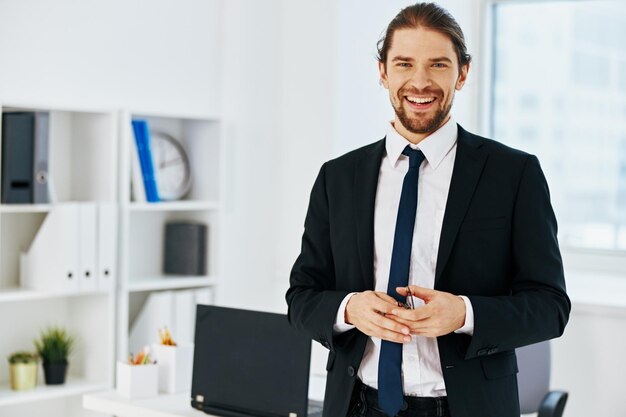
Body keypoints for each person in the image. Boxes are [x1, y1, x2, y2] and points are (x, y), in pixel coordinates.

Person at [286, 3, 570, 417]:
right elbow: (301, 297)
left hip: (466, 407)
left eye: (438, 64)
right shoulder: (338, 177)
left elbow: (550, 307)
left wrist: (465, 314)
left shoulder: (514, 174)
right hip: (357, 405)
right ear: (383, 72)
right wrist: (349, 309)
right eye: (404, 63)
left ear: (463, 73)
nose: (420, 82)